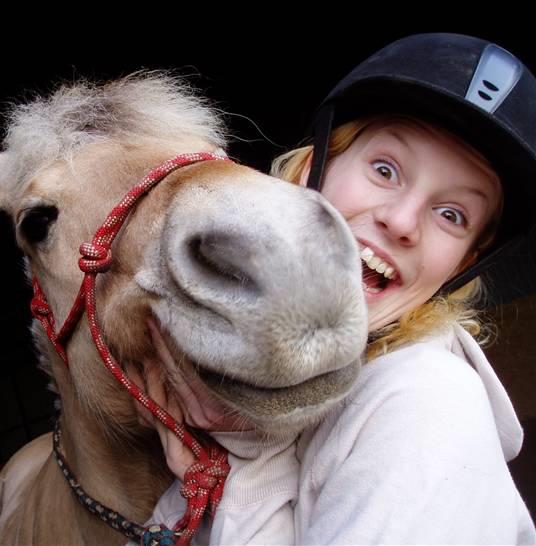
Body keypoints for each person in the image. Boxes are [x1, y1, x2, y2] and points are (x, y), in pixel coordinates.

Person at [129, 33, 536, 545]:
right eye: (385, 169)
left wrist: (246, 461)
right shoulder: (241, 398)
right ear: (314, 167)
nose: (402, 221)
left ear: (463, 263)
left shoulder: (427, 401)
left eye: (452, 214)